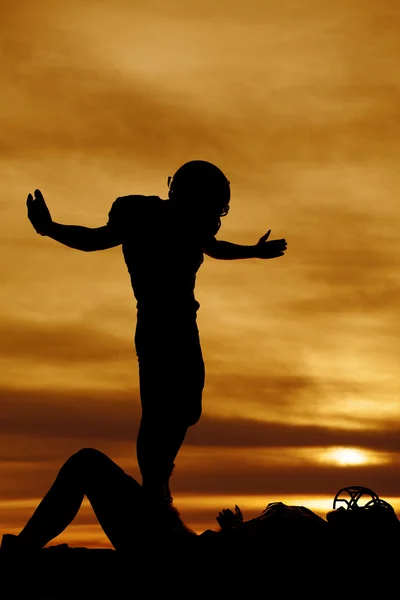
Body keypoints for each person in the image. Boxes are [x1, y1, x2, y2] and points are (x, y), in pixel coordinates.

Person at [26, 160, 287, 513]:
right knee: (158, 412)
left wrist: (252, 252)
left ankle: (158, 478)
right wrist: (49, 228)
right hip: (156, 327)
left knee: (186, 408)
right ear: (194, 198)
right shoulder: (141, 215)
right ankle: (154, 486)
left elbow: (212, 246)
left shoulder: (191, 224)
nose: (218, 215)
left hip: (184, 325)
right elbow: (95, 239)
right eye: (215, 205)